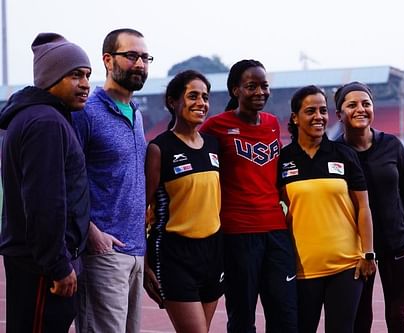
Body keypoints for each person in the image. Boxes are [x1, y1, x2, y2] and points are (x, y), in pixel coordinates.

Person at [0, 32, 91, 332]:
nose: (86, 84)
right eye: (76, 75)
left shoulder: (41, 117)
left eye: (87, 75)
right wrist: (58, 266)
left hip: (35, 260)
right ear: (52, 76)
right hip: (41, 267)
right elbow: (44, 203)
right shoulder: (46, 123)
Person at [199, 59, 298, 332]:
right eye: (251, 86)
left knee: (285, 316)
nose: (260, 92)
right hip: (237, 234)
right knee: (242, 318)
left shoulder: (272, 123)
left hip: (276, 232)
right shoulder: (214, 127)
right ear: (235, 90)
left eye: (264, 86)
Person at [278, 85, 376, 333]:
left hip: (346, 267)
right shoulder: (283, 159)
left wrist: (368, 254)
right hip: (302, 268)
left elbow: (363, 207)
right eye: (310, 111)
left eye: (323, 110)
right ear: (294, 117)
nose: (318, 117)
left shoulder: (344, 154)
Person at [72, 28, 151, 333]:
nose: (140, 63)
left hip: (135, 251)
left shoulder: (135, 112)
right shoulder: (86, 112)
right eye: (131, 55)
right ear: (108, 59)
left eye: (145, 57)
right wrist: (92, 233)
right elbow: (67, 179)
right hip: (103, 252)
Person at [334, 81, 404, 333]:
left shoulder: (392, 145)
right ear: (339, 114)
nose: (360, 109)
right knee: (360, 318)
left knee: (398, 317)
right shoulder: (334, 152)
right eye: (351, 105)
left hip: (397, 244)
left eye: (366, 104)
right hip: (356, 250)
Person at [143, 70, 224, 332]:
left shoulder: (213, 145)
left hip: (213, 253)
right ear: (173, 102)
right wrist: (144, 263)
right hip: (174, 255)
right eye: (192, 96)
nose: (201, 102)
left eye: (205, 97)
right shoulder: (159, 149)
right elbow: (142, 205)